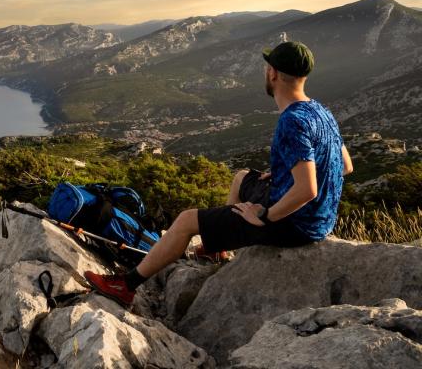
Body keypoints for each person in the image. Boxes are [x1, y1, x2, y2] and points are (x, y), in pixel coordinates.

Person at [85, 41, 354, 306]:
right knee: (242, 176)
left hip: (294, 226)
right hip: (321, 220)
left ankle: (125, 285)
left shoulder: (292, 120)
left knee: (186, 221)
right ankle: (219, 249)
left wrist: (264, 216)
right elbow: (345, 166)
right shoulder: (321, 111)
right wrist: (285, 171)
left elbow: (307, 190)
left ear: (272, 73)